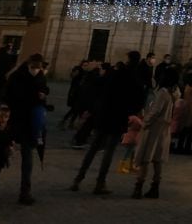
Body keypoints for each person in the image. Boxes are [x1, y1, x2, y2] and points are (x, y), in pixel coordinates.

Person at [70, 59, 133, 194]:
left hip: (103, 118)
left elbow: (94, 88)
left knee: (93, 149)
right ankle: (100, 182)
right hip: (116, 120)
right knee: (108, 152)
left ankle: (78, 179)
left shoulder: (109, 78)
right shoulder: (128, 82)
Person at [2, 51, 48, 205]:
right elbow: (10, 97)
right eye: (34, 67)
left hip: (31, 122)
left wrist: (43, 95)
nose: (36, 69)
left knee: (28, 157)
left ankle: (25, 191)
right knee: (1, 154)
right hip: (15, 119)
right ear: (28, 65)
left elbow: (44, 89)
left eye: (39, 67)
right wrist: (35, 96)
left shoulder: (41, 76)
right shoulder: (16, 77)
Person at [131, 67, 178, 200]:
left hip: (154, 129)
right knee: (157, 159)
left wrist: (144, 122)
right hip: (164, 129)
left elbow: (155, 111)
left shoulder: (163, 92)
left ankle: (138, 187)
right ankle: (154, 187)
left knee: (146, 157)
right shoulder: (173, 92)